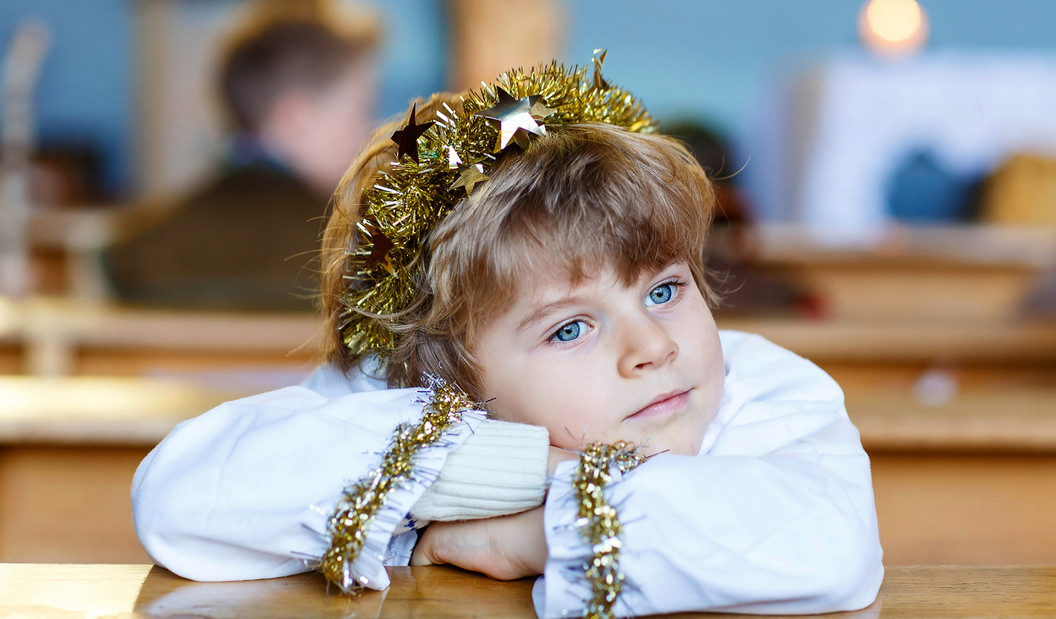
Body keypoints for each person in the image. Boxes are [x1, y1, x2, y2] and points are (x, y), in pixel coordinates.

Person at [132, 59, 883, 618]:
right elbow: (180, 501)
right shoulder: (403, 399)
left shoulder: (762, 389)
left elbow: (831, 546)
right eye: (570, 327)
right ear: (449, 373)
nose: (651, 344)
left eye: (663, 288)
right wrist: (521, 465)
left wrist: (534, 535)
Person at [103, 3, 379, 311]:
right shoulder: (359, 257)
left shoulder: (128, 253)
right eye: (358, 112)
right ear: (295, 120)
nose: (365, 136)